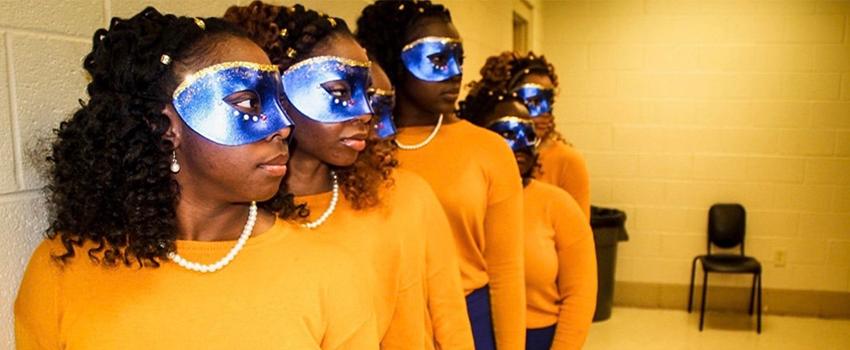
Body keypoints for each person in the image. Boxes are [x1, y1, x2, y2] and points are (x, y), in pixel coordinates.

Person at [15, 8, 377, 349]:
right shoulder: (62, 270)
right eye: (250, 103)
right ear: (167, 125)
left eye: (280, 103)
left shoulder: (330, 272)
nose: (283, 126)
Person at [224, 3, 466, 348]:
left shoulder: (391, 201)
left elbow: (432, 323)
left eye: (365, 94)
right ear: (277, 91)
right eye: (339, 93)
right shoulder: (236, 221)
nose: (365, 113)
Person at [357, 1, 526, 349]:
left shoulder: (489, 150)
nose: (454, 73)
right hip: (383, 321)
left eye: (459, 58)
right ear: (393, 59)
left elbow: (507, 273)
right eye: (436, 59)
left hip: (469, 319)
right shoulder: (357, 148)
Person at [460, 86, 597, 350]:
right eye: (508, 133)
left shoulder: (558, 205)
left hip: (540, 338)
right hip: (472, 335)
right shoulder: (464, 205)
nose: (520, 144)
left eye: (528, 134)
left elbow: (579, 296)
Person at [476, 52, 591, 218]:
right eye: (533, 101)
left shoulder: (567, 161)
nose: (545, 112)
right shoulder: (483, 152)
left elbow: (579, 235)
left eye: (548, 101)